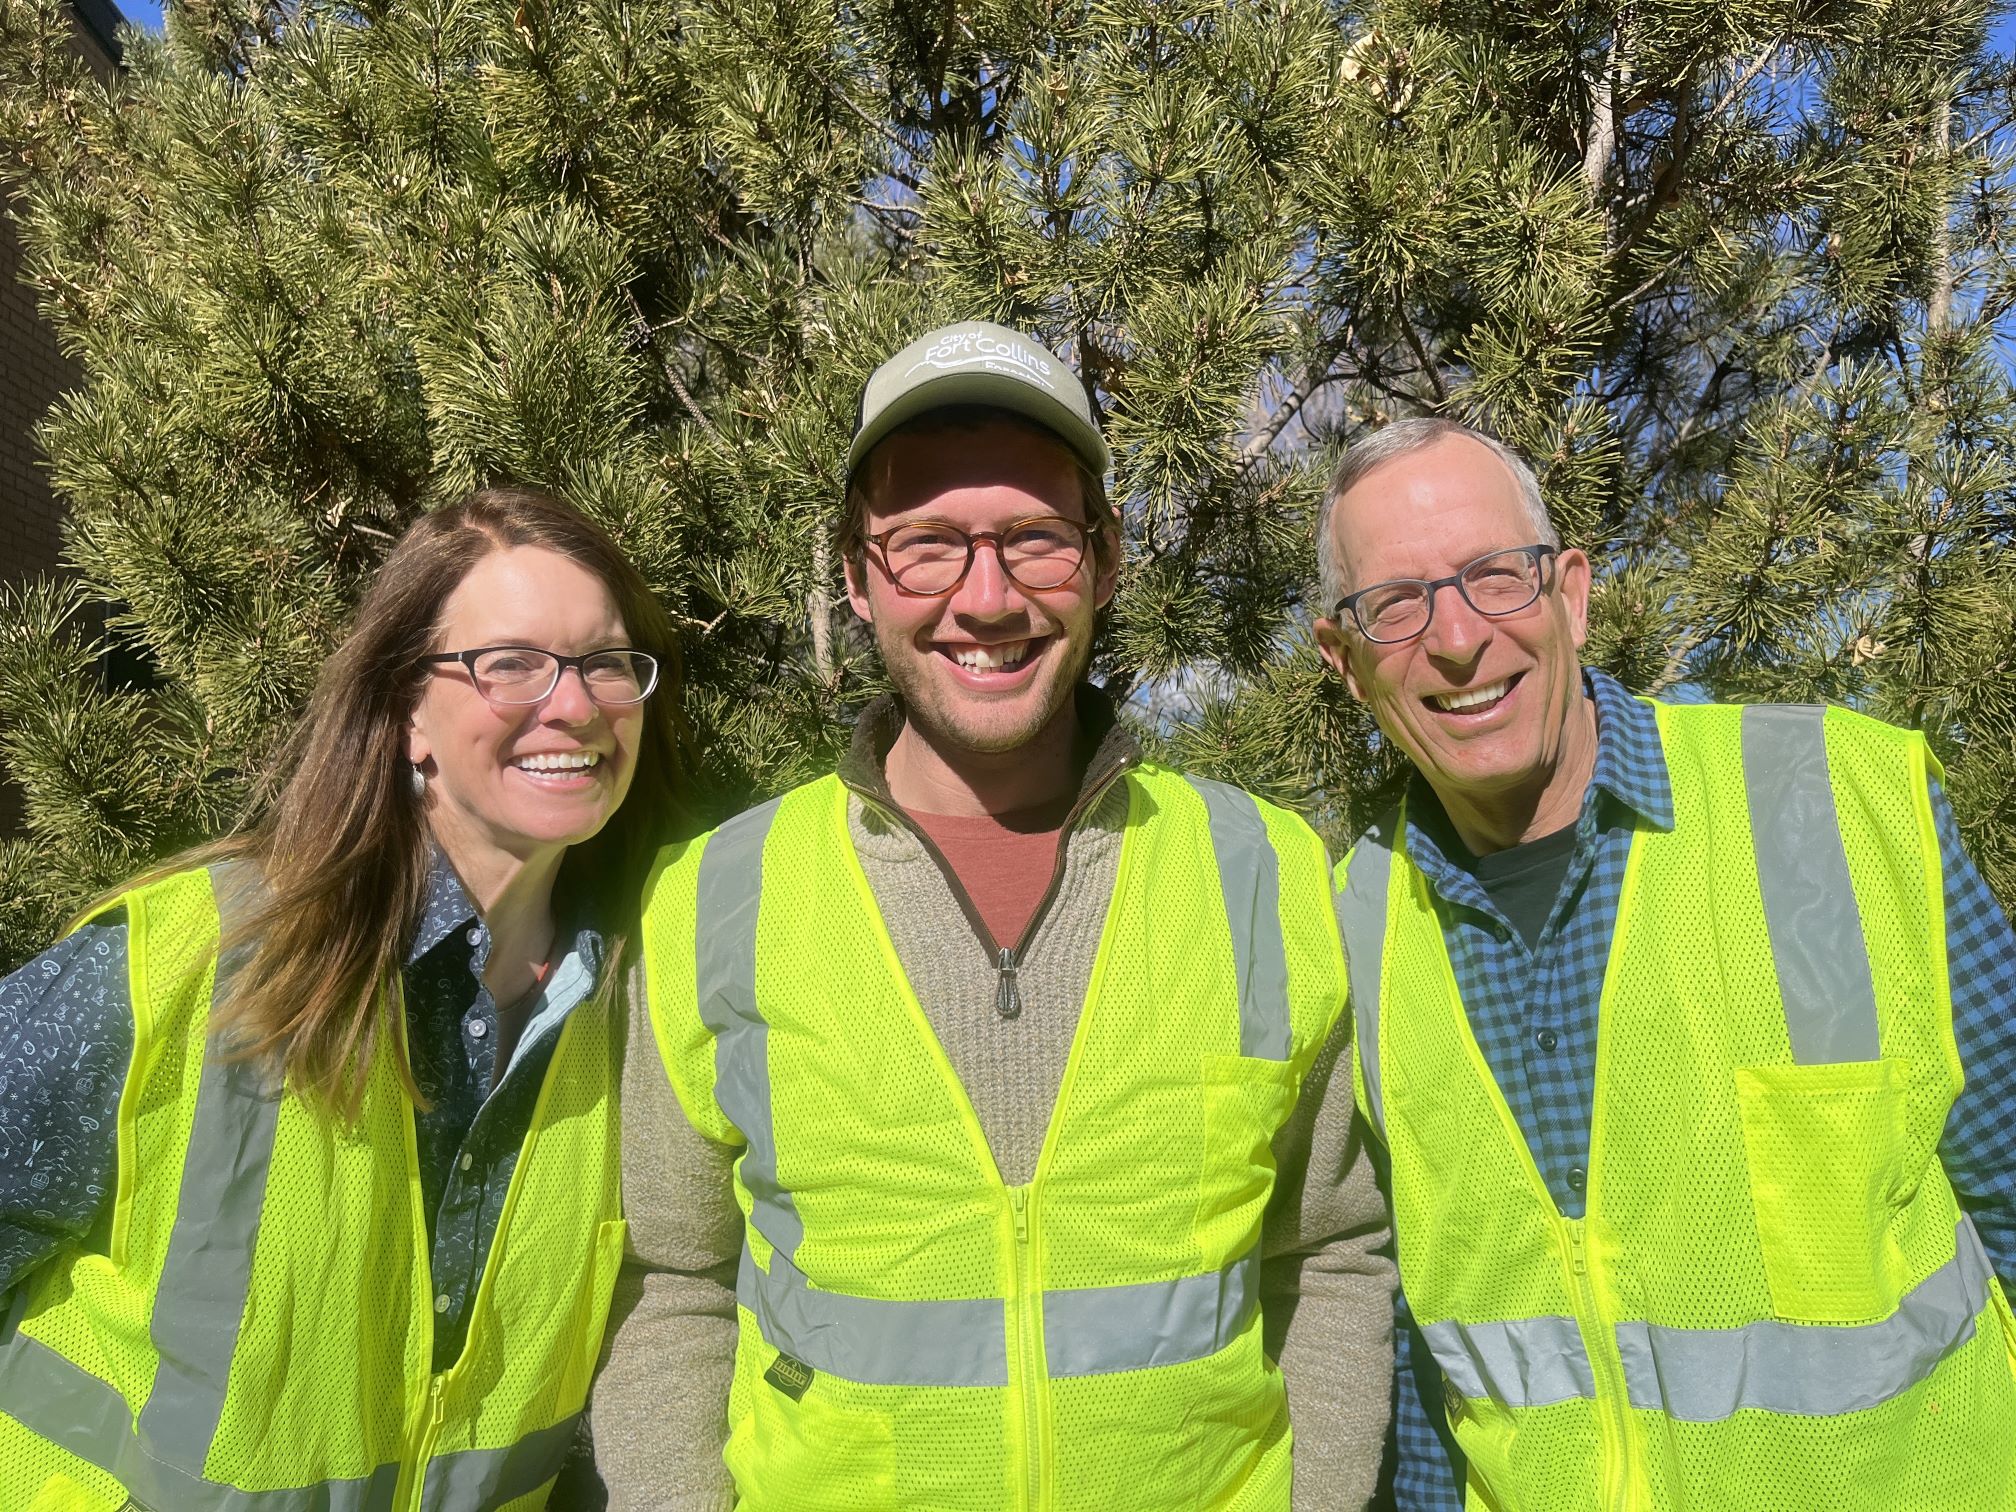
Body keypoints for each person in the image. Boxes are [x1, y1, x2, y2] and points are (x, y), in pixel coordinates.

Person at [592, 320, 1393, 1509]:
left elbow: (1330, 1254)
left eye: (1034, 541)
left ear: (1106, 560)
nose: (986, 597)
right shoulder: (720, 896)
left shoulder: (1263, 871)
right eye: (926, 547)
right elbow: (675, 1285)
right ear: (859, 579)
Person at [1312, 416, 2016, 1511]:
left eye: (1495, 577)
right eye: (1394, 605)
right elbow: (1424, 1365)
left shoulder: (1831, 802)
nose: (1454, 639)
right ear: (1343, 661)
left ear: (1573, 594)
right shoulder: (1351, 927)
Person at [0, 486, 688, 1510]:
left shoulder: (649, 1002)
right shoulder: (183, 962)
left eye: (605, 663)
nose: (576, 705)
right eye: (510, 664)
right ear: (410, 704)